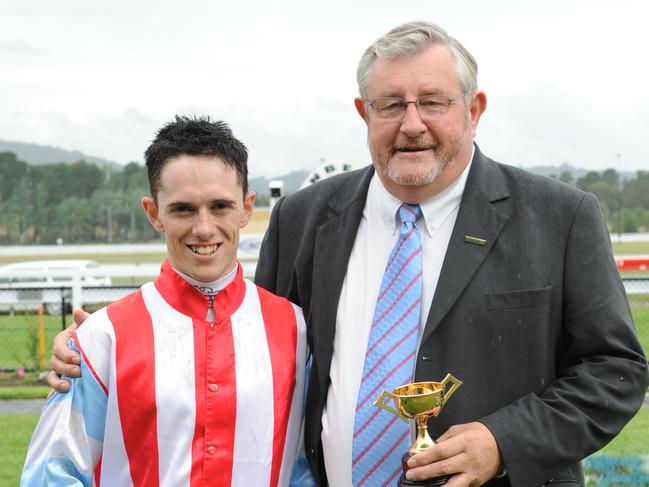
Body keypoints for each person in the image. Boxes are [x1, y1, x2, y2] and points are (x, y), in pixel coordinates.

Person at [49, 22, 648, 487]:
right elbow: (253, 349)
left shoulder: (559, 216)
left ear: (475, 108)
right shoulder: (305, 218)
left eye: (433, 101)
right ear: (364, 113)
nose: (411, 124)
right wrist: (99, 352)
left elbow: (614, 374)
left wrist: (503, 442)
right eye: (391, 105)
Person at [24, 116, 311, 486]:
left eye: (220, 206)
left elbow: (311, 466)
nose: (204, 228)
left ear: (246, 208)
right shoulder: (101, 338)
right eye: (183, 209)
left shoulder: (297, 331)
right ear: (154, 213)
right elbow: (53, 472)